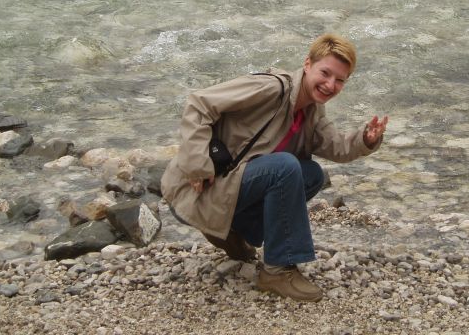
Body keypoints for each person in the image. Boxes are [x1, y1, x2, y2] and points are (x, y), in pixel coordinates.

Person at [161, 34, 388, 302]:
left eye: (340, 80)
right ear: (307, 64)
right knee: (285, 167)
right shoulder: (270, 87)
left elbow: (336, 146)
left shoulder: (312, 111)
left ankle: (235, 233)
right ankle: (278, 269)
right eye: (325, 73)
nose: (330, 85)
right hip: (196, 192)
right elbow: (199, 104)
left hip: (229, 190)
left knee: (312, 175)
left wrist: (366, 139)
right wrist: (198, 165)